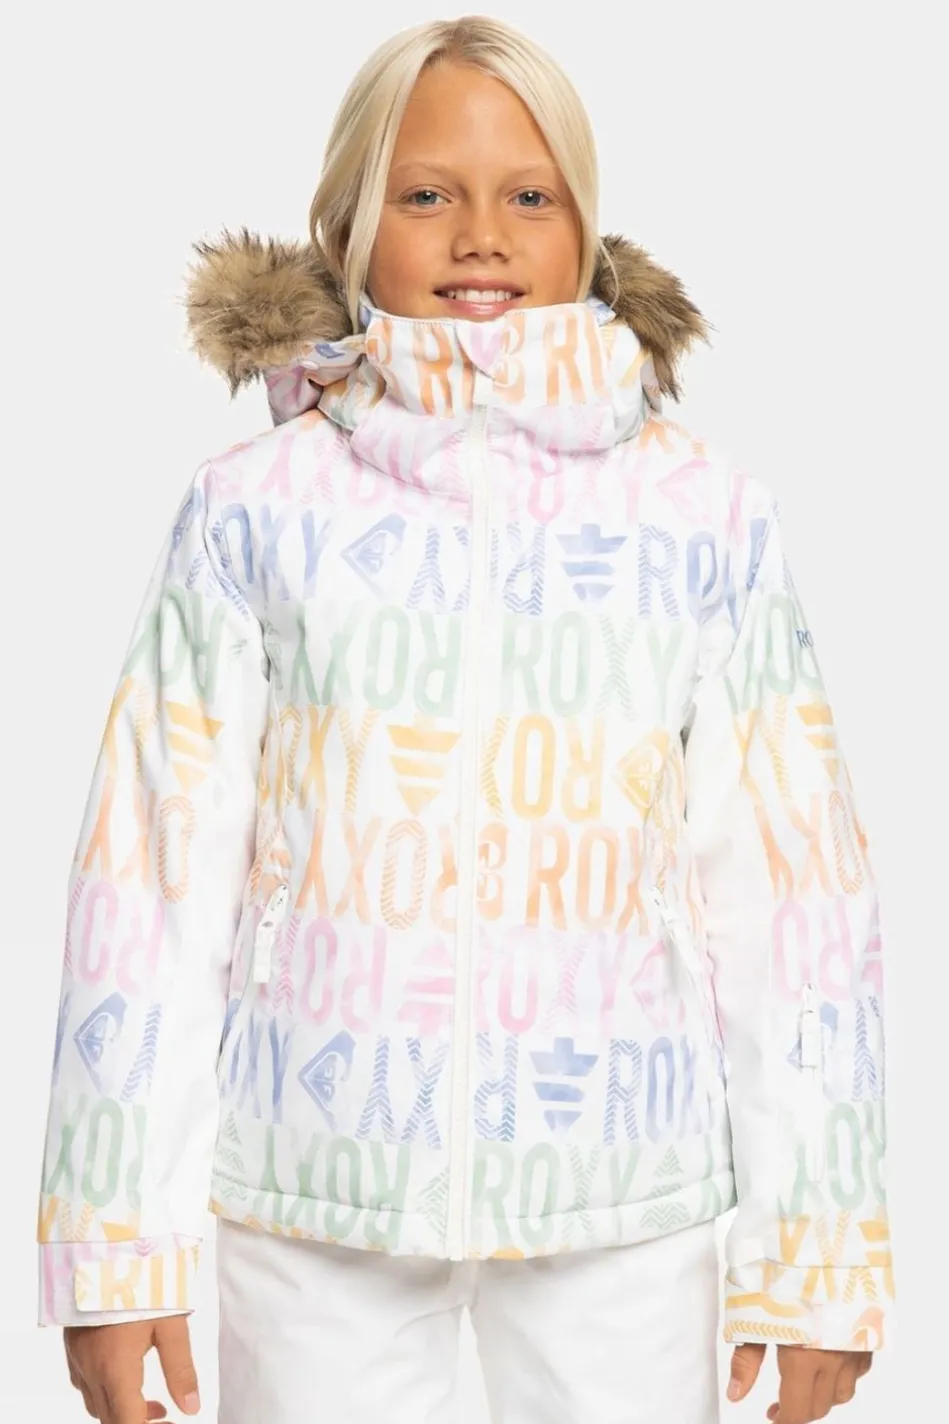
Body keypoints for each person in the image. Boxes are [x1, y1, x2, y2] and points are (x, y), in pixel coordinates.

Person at [37, 15, 894, 1424]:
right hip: (315, 1197)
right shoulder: (255, 510)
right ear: (351, 227)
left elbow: (797, 897)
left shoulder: (704, 518)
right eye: (428, 193)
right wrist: (113, 1244)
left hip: (622, 1201)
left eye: (530, 195)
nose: (481, 235)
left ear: (587, 231)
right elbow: (147, 875)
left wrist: (820, 1260)